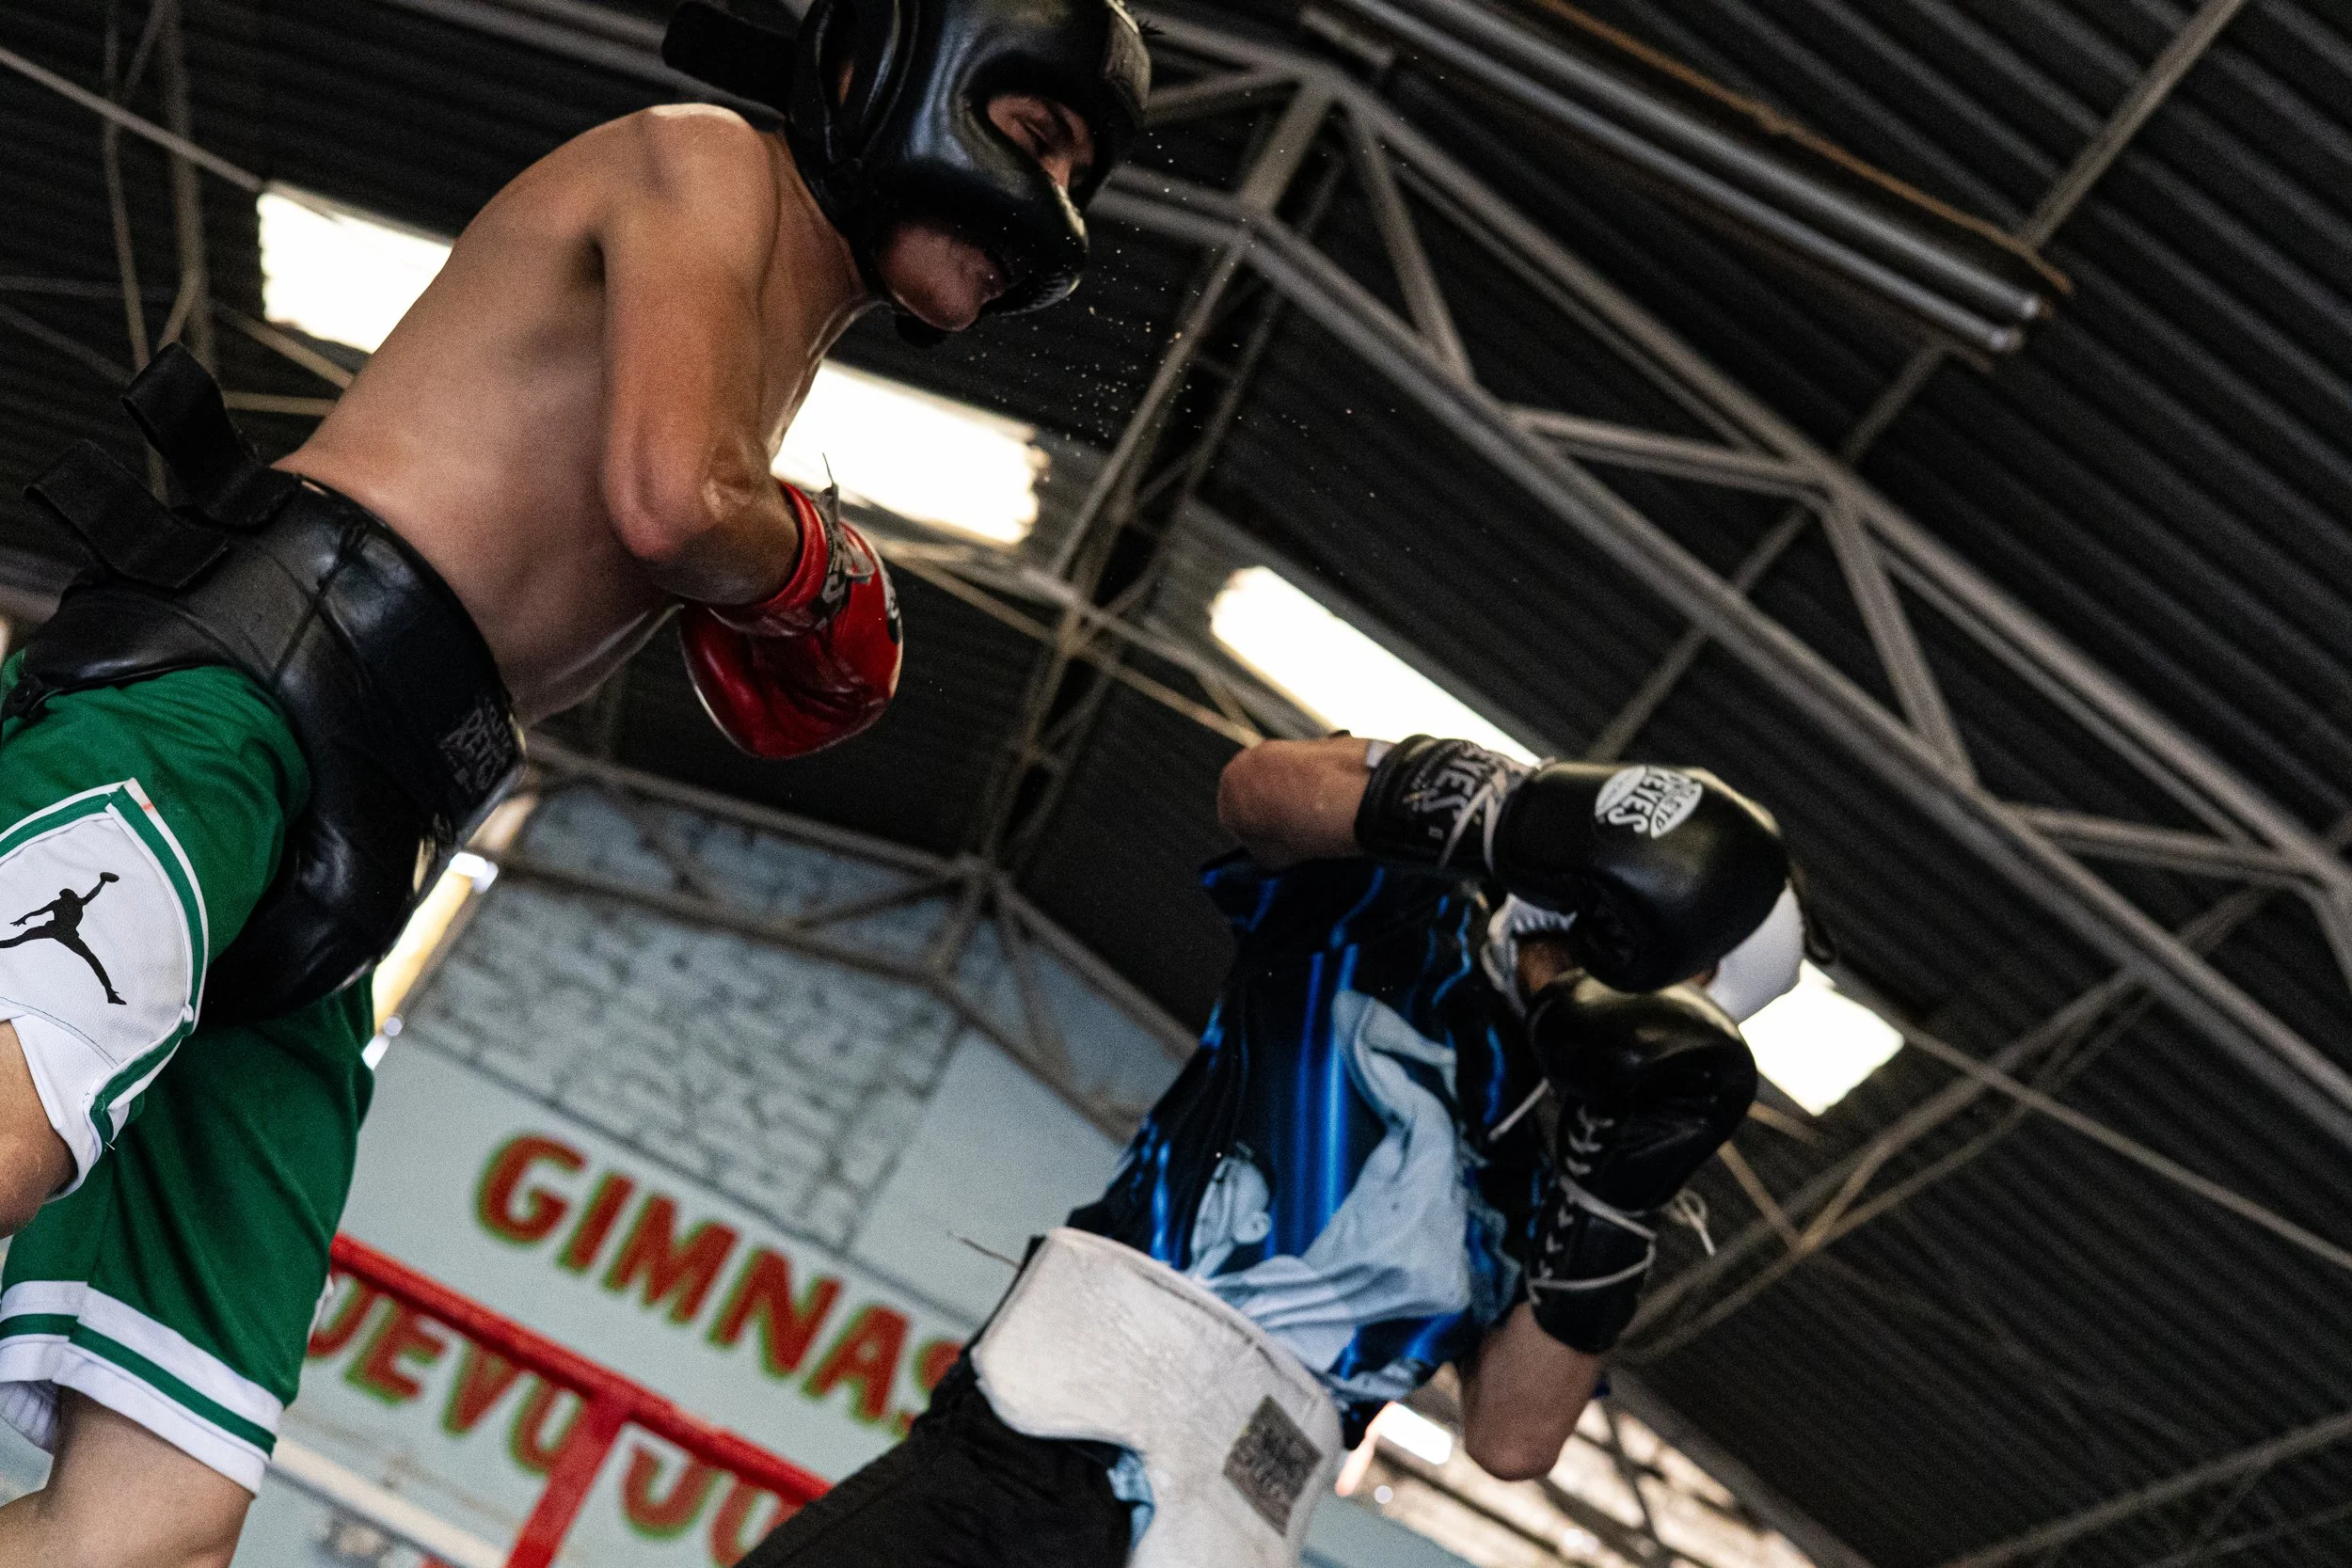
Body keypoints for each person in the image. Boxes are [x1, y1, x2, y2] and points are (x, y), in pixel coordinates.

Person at [0, 0, 1148, 1560]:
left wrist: (776, 549)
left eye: (1084, 175)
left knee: (157, 1517)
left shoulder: (774, 352)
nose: (1050, 213)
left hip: (359, 846)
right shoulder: (705, 168)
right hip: (231, 707)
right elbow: (674, 501)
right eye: (1036, 139)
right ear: (898, 73)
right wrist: (810, 564)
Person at [740, 733, 1811, 1568]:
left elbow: (1513, 1437)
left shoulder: (1549, 1169)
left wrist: (1618, 1194)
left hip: (1220, 1532)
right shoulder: (1393, 915)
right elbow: (1256, 790)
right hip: (1033, 1456)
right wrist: (1511, 810)